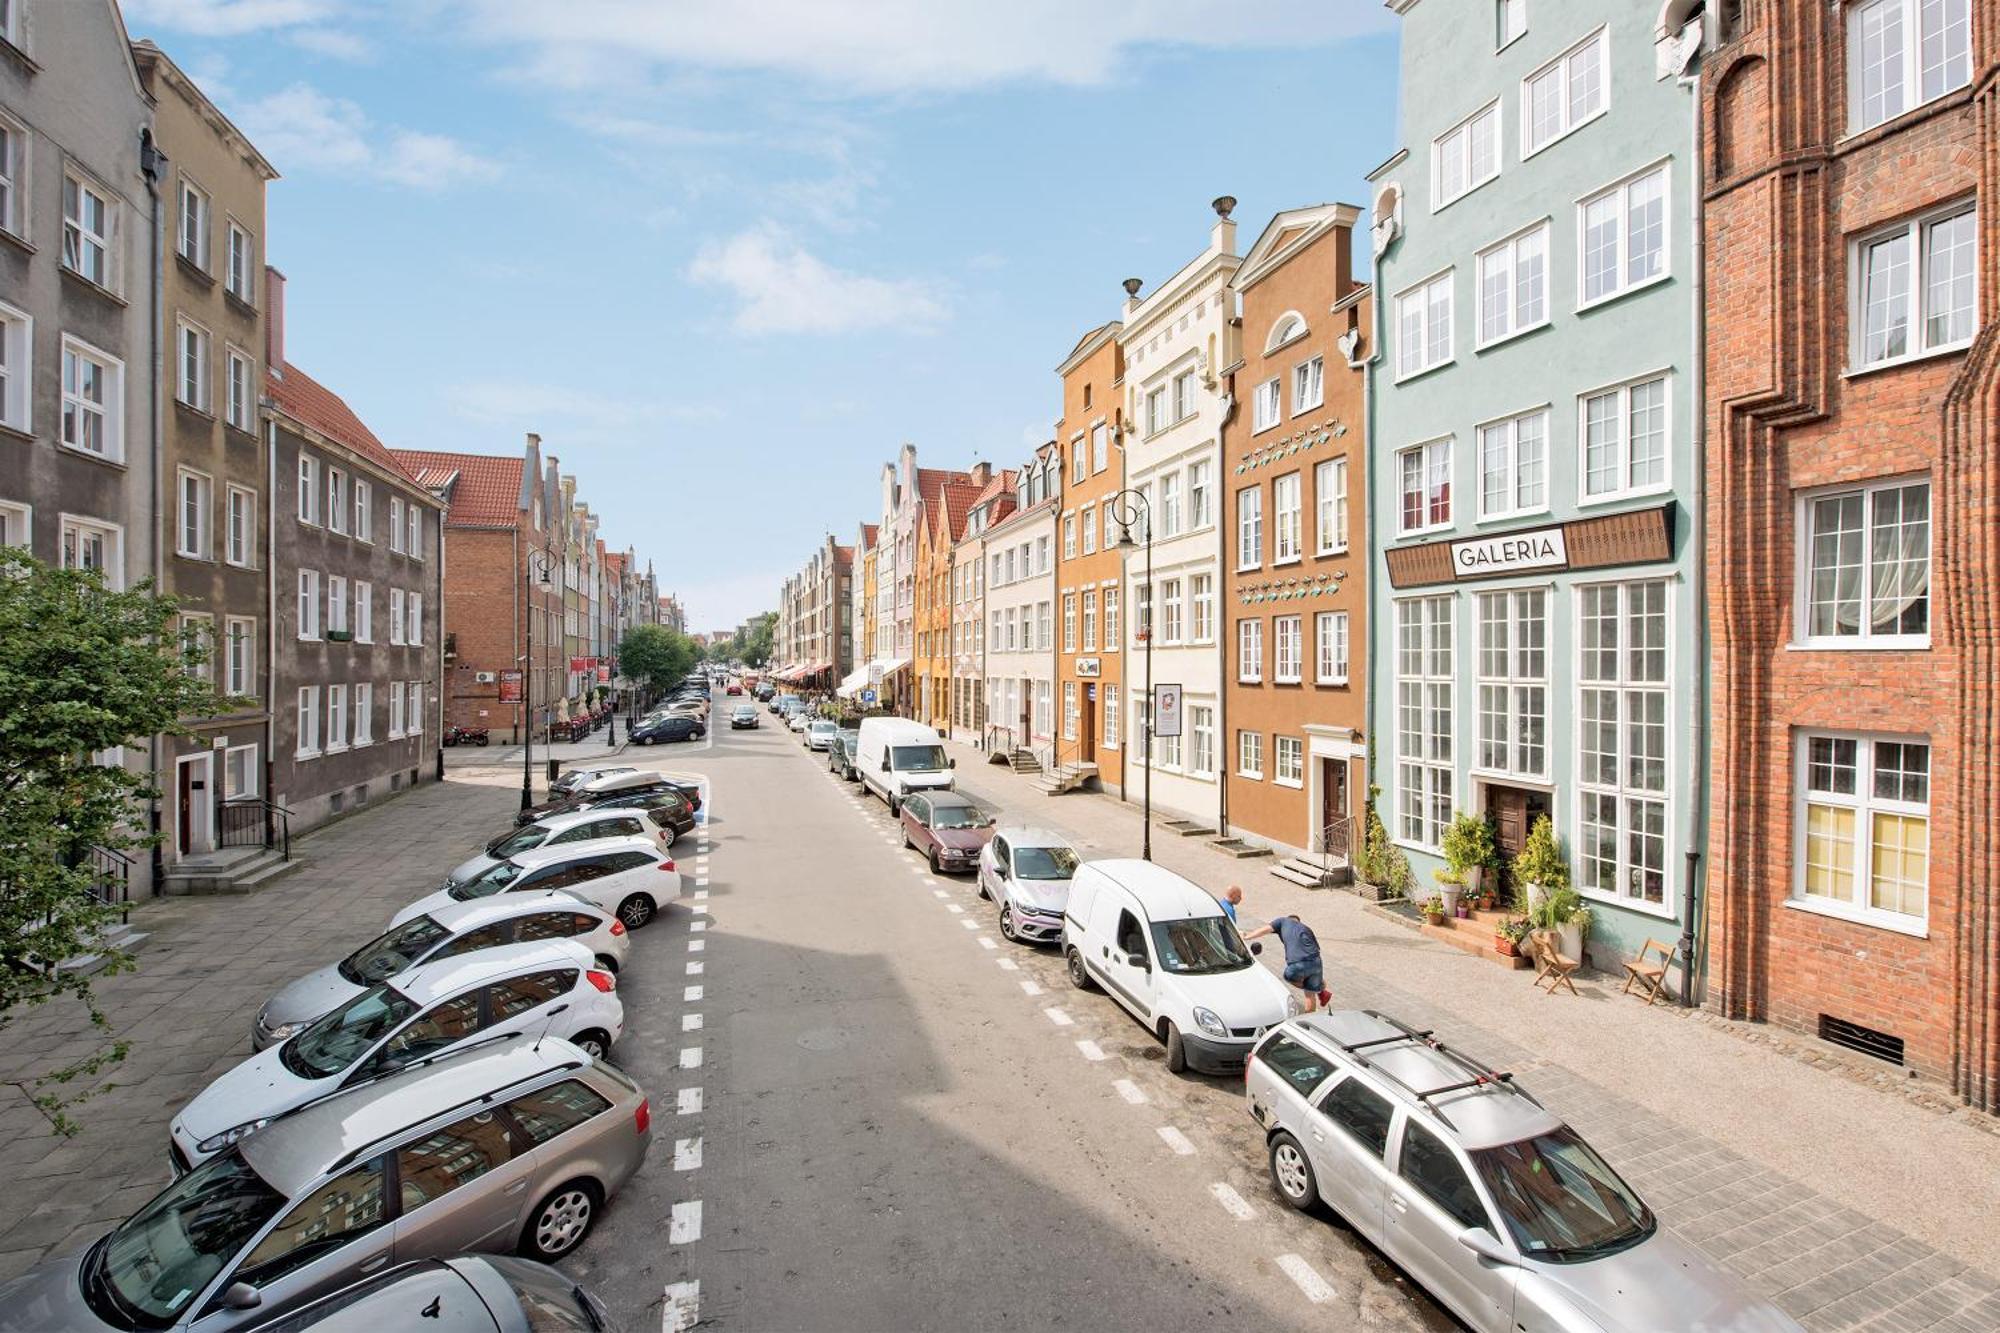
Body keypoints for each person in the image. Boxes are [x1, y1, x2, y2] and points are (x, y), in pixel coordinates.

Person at [1241, 914, 1332, 1012]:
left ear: (1290, 919)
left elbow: (1265, 930)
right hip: (1316, 962)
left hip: (1298, 964)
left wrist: (1246, 937)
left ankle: (1319, 989)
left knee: (1288, 975)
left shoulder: (1283, 921)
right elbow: (1317, 948)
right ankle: (1318, 994)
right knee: (1310, 994)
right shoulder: (1306, 929)